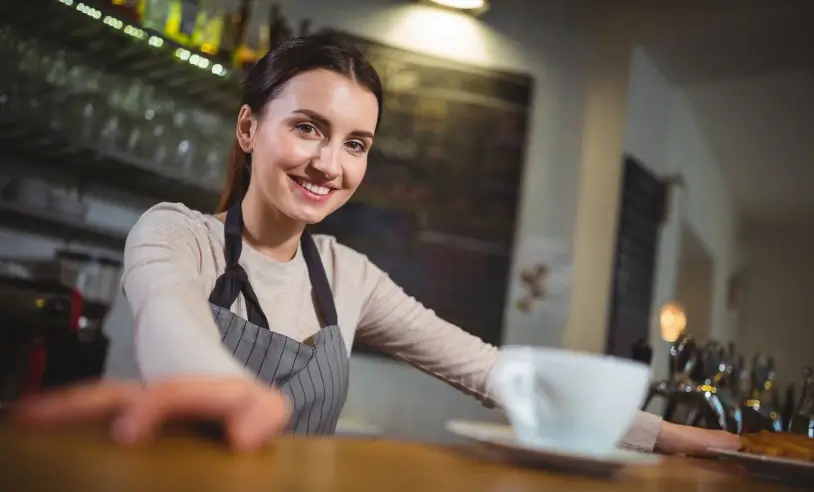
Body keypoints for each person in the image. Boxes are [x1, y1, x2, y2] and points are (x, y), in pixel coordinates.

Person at [13, 33, 741, 455]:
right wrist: (223, 387)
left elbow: (495, 373)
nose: (331, 165)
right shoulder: (176, 234)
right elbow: (170, 318)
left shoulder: (348, 277)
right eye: (307, 128)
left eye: (355, 143)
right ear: (247, 129)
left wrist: (685, 439)